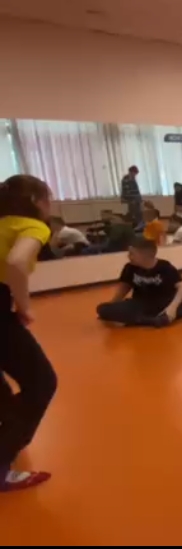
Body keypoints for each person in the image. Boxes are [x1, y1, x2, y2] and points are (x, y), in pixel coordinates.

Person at [0, 175, 58, 492]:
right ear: (35, 201)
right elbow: (17, 261)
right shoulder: (31, 225)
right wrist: (24, 306)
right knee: (41, 383)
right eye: (48, 197)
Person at [96, 238, 182, 327]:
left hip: (165, 301)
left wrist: (172, 308)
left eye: (132, 254)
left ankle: (162, 316)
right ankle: (156, 320)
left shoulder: (164, 266)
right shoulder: (129, 268)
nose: (129, 257)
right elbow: (124, 288)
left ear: (145, 255)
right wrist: (113, 305)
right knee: (102, 309)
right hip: (141, 304)